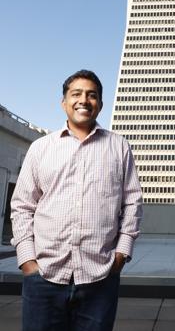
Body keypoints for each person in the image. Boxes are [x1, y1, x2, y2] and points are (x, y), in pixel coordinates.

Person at [11, 69, 143, 331]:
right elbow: (22, 206)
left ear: (100, 104)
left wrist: (121, 255)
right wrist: (28, 262)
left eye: (91, 95)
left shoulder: (119, 146)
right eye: (76, 94)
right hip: (44, 277)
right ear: (64, 103)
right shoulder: (41, 148)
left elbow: (132, 203)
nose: (84, 100)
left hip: (100, 278)